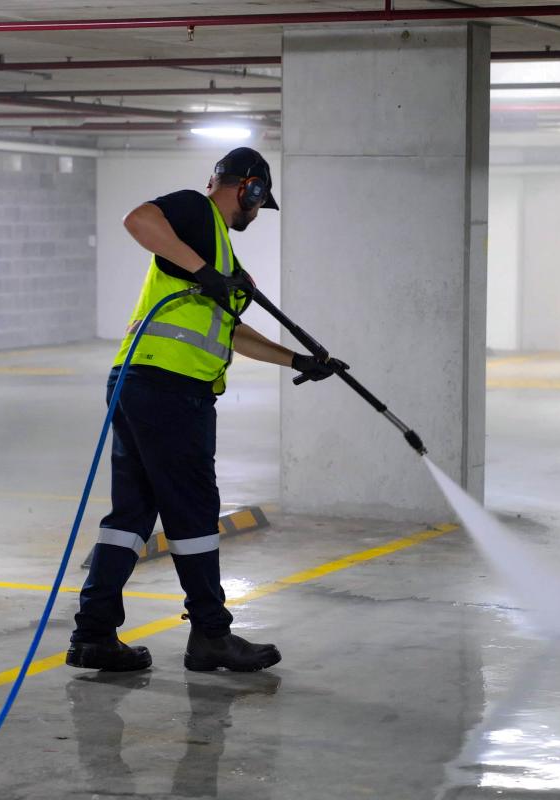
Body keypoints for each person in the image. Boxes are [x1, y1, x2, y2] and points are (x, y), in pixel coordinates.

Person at [66, 147, 341, 673]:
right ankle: (211, 636)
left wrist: (298, 360)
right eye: (259, 204)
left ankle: (94, 633)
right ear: (249, 189)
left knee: (130, 517)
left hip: (140, 383)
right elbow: (138, 219)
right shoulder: (197, 211)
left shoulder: (224, 261)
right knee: (192, 512)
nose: (256, 216)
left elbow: (233, 333)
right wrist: (207, 272)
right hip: (168, 387)